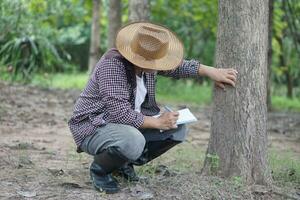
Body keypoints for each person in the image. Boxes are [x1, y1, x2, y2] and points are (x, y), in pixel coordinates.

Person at [68, 22, 238, 194]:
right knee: (134, 140)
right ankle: (100, 171)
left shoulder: (150, 64)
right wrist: (157, 123)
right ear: (138, 57)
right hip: (93, 126)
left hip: (125, 125)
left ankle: (122, 165)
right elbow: (119, 114)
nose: (161, 65)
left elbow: (177, 67)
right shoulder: (112, 65)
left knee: (177, 129)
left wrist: (210, 71)